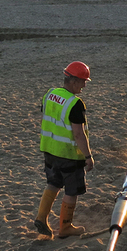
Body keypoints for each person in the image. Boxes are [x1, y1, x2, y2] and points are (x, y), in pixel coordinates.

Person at [33, 61, 95, 239]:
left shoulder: (50, 94)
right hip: (68, 155)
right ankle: (65, 227)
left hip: (50, 151)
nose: (84, 85)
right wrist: (88, 156)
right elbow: (78, 134)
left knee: (53, 183)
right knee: (71, 190)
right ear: (73, 81)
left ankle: (41, 217)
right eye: (83, 81)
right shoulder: (75, 104)